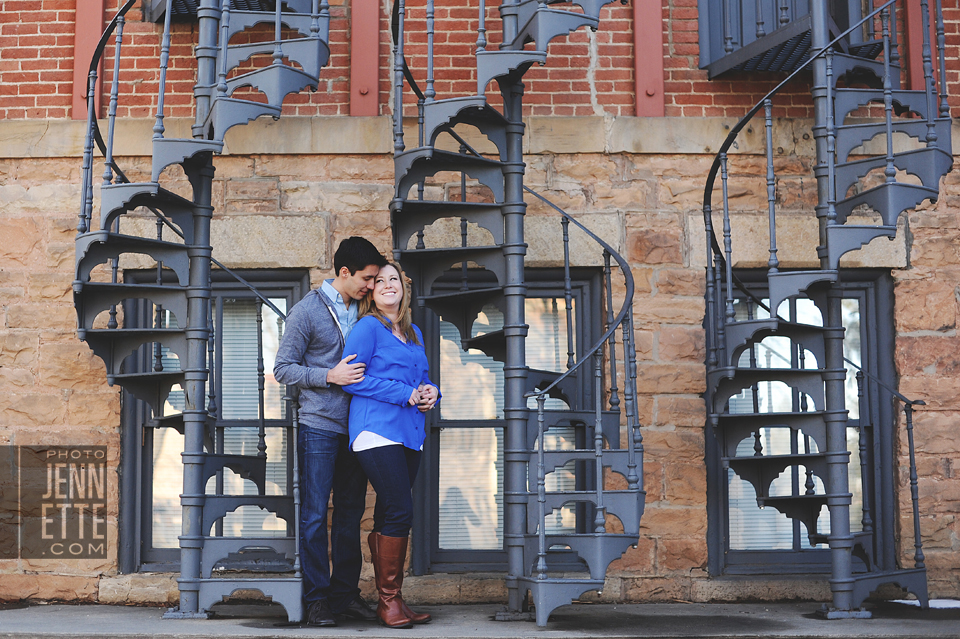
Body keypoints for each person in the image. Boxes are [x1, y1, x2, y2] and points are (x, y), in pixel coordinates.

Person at [274, 237, 387, 627]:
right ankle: (317, 599)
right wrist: (328, 375)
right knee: (313, 515)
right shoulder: (306, 312)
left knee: (351, 515)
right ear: (343, 273)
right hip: (319, 428)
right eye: (367, 278)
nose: (371, 286)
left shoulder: (368, 310)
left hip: (359, 428)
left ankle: (344, 596)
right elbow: (282, 368)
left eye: (375, 279)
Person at [342, 261, 439, 629]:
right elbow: (351, 380)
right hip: (375, 430)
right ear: (372, 291)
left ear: (403, 287)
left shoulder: (412, 331)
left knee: (389, 513)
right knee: (401, 509)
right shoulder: (367, 328)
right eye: (378, 281)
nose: (386, 285)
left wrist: (432, 392)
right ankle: (389, 600)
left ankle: (392, 600)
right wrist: (407, 394)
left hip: (409, 433)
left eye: (392, 279)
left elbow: (423, 378)